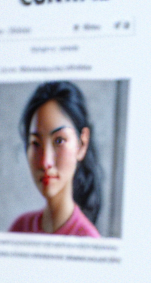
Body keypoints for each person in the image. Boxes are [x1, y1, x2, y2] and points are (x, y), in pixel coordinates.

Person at [9, 81, 102, 238]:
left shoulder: (88, 241)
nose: (46, 162)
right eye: (36, 143)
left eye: (59, 141)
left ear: (82, 144)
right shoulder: (19, 228)